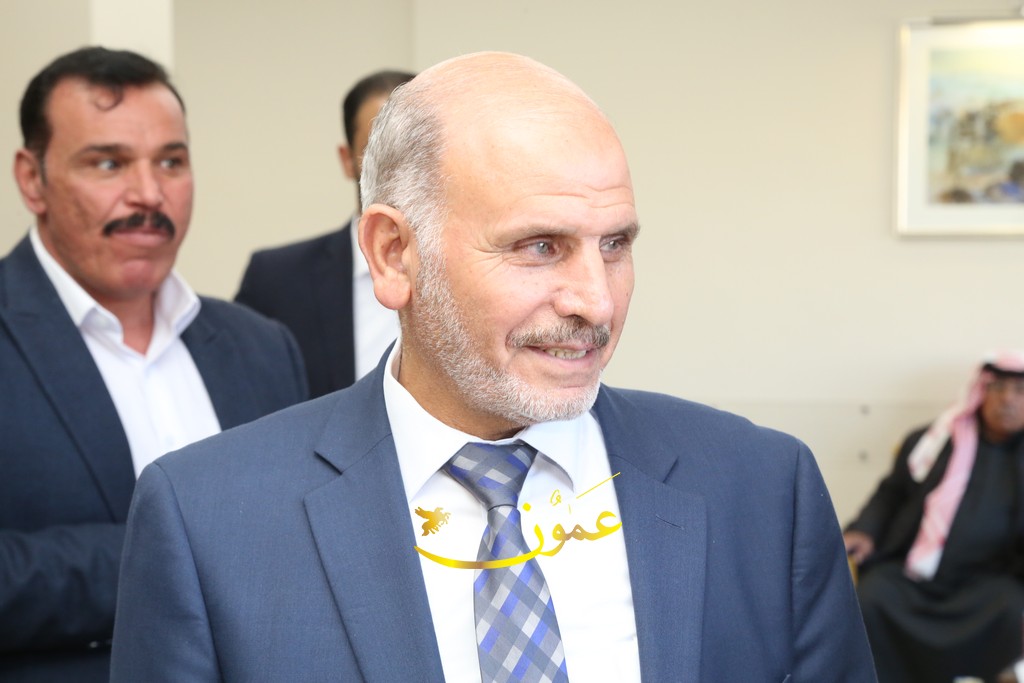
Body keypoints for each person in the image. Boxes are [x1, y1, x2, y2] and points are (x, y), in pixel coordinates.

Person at [110, 52, 875, 682]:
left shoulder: (764, 493)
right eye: (539, 246)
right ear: (393, 255)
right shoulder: (210, 522)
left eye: (614, 244)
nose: (595, 300)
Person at [0, 47, 308, 682]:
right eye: (107, 163)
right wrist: (176, 549)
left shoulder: (260, 346)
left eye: (171, 162)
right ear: (32, 179)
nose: (148, 194)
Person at [845, 351, 1024, 682]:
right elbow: (891, 494)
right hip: (914, 577)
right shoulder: (932, 441)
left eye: (1019, 391)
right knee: (873, 596)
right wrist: (863, 531)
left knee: (1014, 610)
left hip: (990, 582)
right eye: (998, 388)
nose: (1007, 400)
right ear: (981, 391)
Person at [235, 69, 415, 397]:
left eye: (416, 148)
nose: (400, 167)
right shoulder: (276, 282)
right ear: (347, 160)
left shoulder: (482, 269)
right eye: (378, 151)